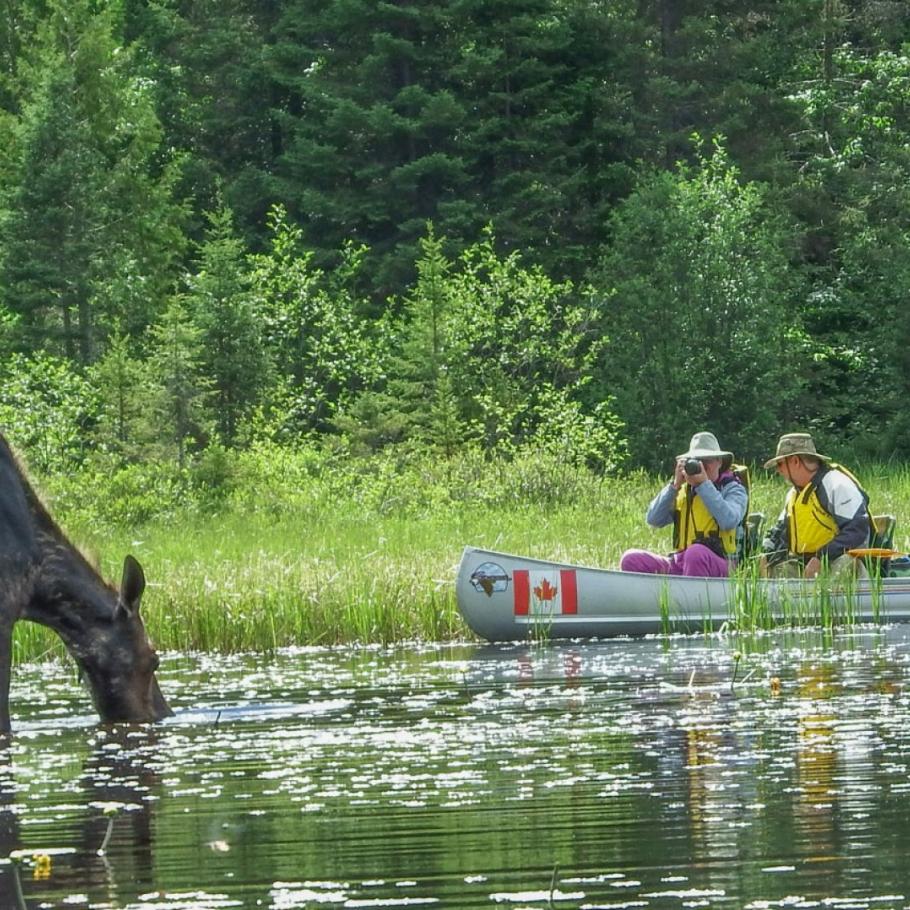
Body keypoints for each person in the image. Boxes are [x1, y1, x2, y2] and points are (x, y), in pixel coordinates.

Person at [620, 432, 748, 578]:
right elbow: (653, 519)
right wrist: (674, 486)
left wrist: (704, 485)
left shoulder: (733, 489)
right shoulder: (683, 490)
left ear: (719, 462)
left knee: (696, 554)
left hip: (721, 563)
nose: (702, 465)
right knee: (631, 559)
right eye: (697, 460)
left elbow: (729, 520)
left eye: (708, 460)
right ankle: (659, 599)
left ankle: (690, 599)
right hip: (682, 561)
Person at [760, 432, 870, 579]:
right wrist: (766, 555)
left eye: (780, 464)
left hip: (838, 560)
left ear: (795, 461)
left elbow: (857, 530)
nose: (778, 470)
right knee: (780, 569)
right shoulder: (793, 495)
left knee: (845, 563)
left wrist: (821, 557)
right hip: (807, 564)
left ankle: (836, 601)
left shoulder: (837, 485)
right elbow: (779, 533)